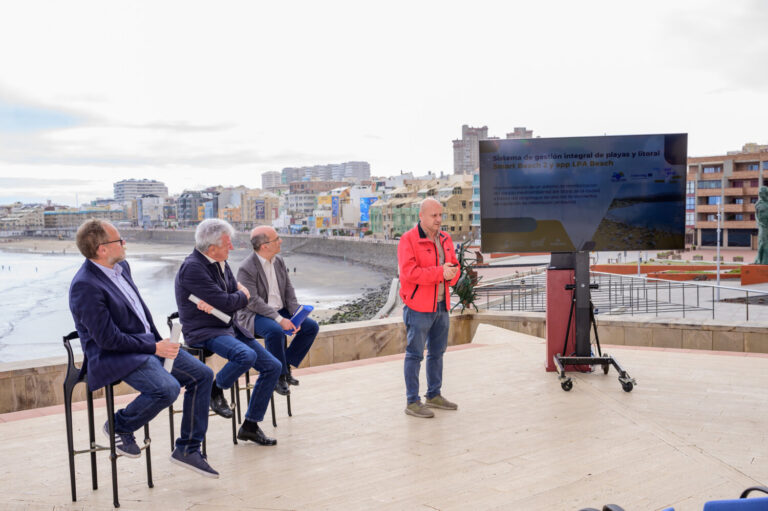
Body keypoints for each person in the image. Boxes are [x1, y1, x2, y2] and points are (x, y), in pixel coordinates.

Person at [68, 219, 218, 478]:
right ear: (102, 249)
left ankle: (188, 449)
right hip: (114, 355)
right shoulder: (85, 286)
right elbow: (107, 339)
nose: (124, 244)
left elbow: (137, 313)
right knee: (167, 389)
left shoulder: (121, 268)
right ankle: (119, 425)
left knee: (203, 375)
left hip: (147, 345)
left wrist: (161, 341)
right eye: (119, 241)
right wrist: (154, 346)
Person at [174, 219, 281, 446]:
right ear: (211, 248)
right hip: (203, 330)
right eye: (227, 244)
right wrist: (240, 296)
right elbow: (230, 300)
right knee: (246, 355)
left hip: (227, 326)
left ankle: (250, 426)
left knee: (273, 366)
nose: (231, 248)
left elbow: (232, 300)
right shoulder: (193, 268)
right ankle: (215, 389)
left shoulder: (221, 261)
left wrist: (236, 297)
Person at [235, 226, 319, 396]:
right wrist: (280, 320)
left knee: (311, 327)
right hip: (255, 314)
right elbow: (252, 301)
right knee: (275, 331)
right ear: (264, 245)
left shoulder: (279, 260)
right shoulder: (246, 268)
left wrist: (296, 315)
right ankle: (279, 376)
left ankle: (285, 365)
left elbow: (288, 290)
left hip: (281, 309)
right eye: (276, 239)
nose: (281, 241)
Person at [397, 198, 461, 418]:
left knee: (437, 352)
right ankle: (412, 401)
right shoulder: (408, 240)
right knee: (414, 355)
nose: (438, 219)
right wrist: (440, 273)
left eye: (440, 215)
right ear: (421, 216)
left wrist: (452, 275)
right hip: (418, 307)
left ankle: (433, 395)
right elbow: (410, 273)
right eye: (433, 215)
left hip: (442, 305)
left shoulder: (445, 238)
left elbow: (454, 265)